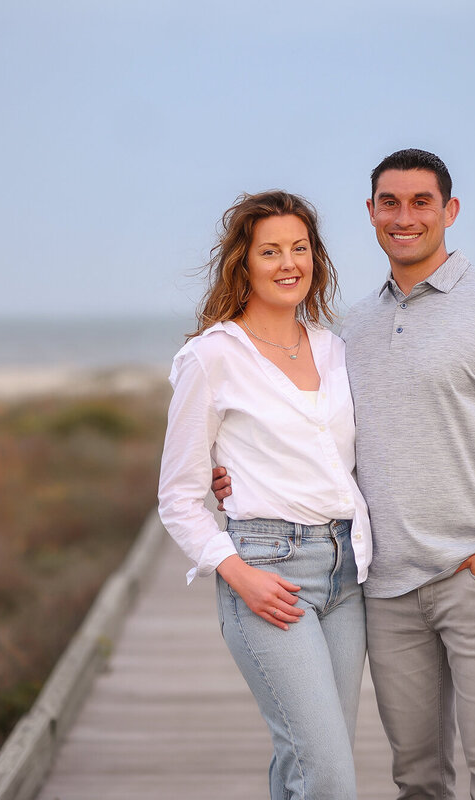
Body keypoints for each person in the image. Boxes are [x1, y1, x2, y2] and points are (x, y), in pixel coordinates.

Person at [215, 149, 475, 800]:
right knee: (416, 780)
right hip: (384, 591)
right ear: (371, 213)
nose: (404, 216)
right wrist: (234, 474)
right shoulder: (349, 330)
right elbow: (321, 439)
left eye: (421, 202)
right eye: (390, 202)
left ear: (450, 211)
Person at [156, 190, 371, 800]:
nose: (288, 263)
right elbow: (178, 496)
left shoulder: (335, 349)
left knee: (308, 760)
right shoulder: (212, 356)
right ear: (242, 264)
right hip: (268, 573)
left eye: (299, 248)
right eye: (270, 250)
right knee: (326, 772)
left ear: (316, 258)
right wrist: (237, 572)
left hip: (347, 573)